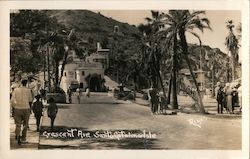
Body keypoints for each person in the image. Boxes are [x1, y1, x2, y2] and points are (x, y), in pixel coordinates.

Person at [11, 79, 33, 145]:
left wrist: (14, 107)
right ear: (26, 83)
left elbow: (12, 100)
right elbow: (30, 100)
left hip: (17, 108)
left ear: (21, 83)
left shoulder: (16, 90)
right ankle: (23, 138)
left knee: (18, 124)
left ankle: (17, 136)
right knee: (25, 124)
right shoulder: (28, 90)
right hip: (26, 108)